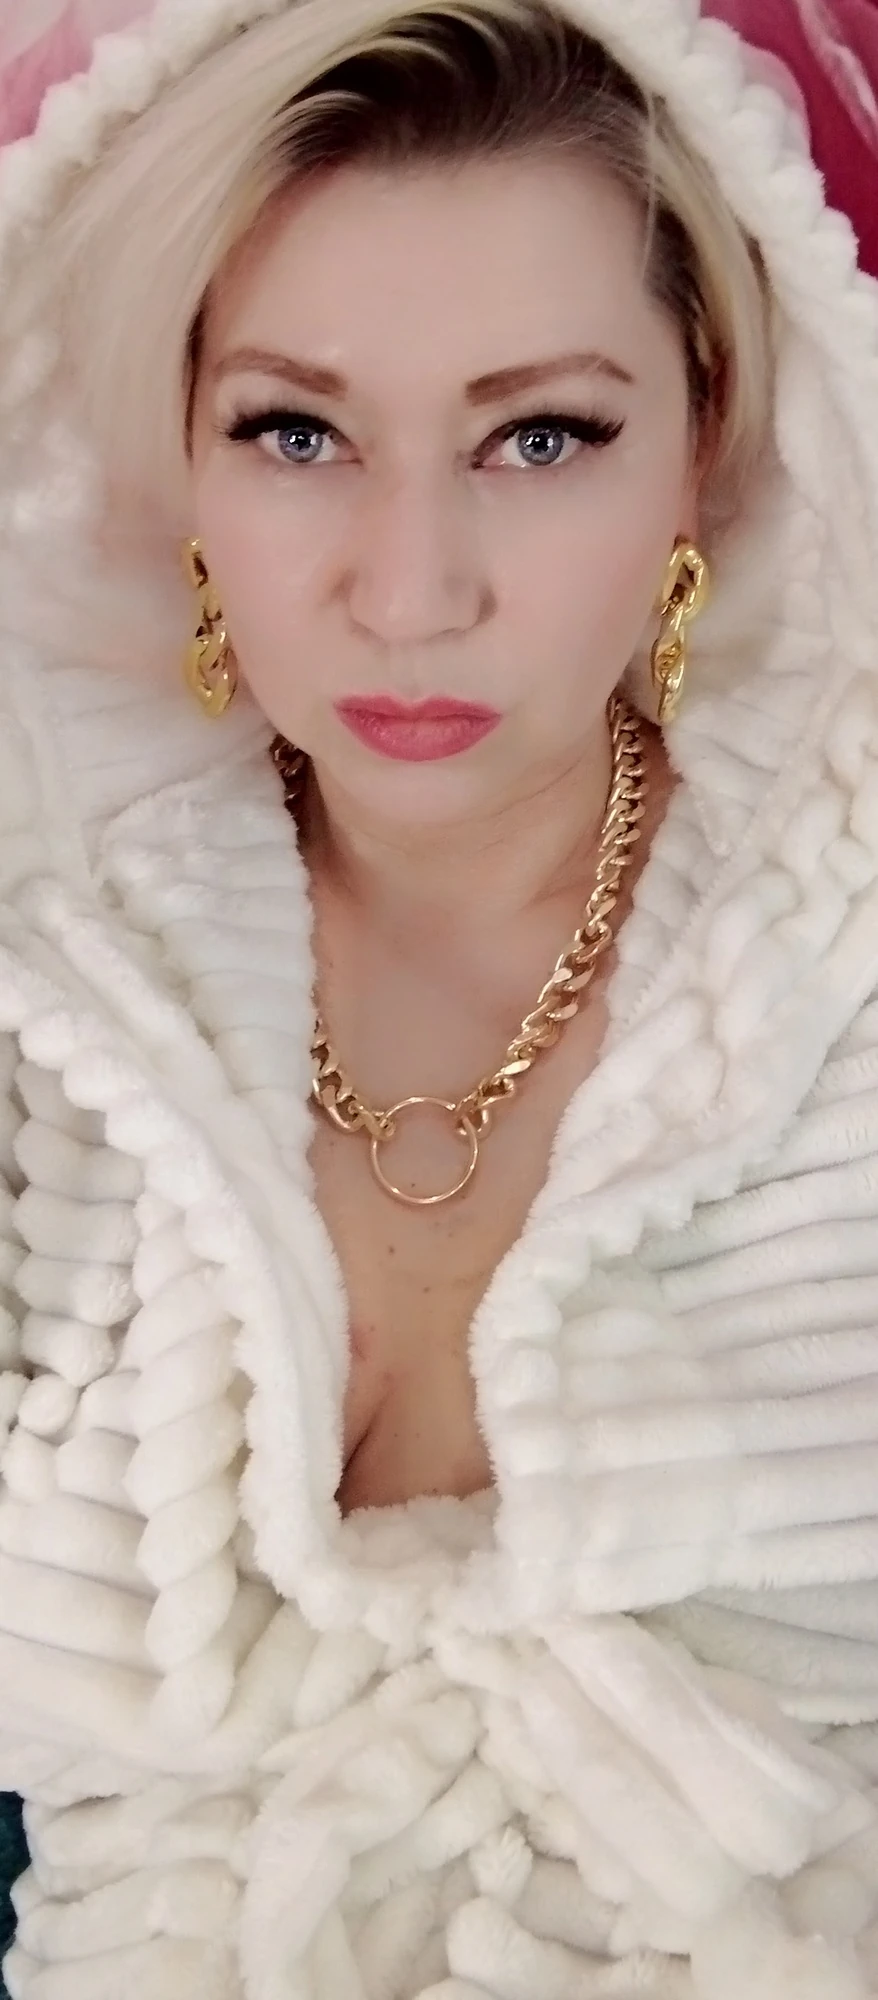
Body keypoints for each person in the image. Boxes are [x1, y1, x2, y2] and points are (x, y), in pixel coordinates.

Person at [2, 0, 878, 1993]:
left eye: (539, 435)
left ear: (702, 446)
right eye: (296, 433)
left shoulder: (844, 957)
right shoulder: (53, 995)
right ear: (180, 455)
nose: (411, 591)